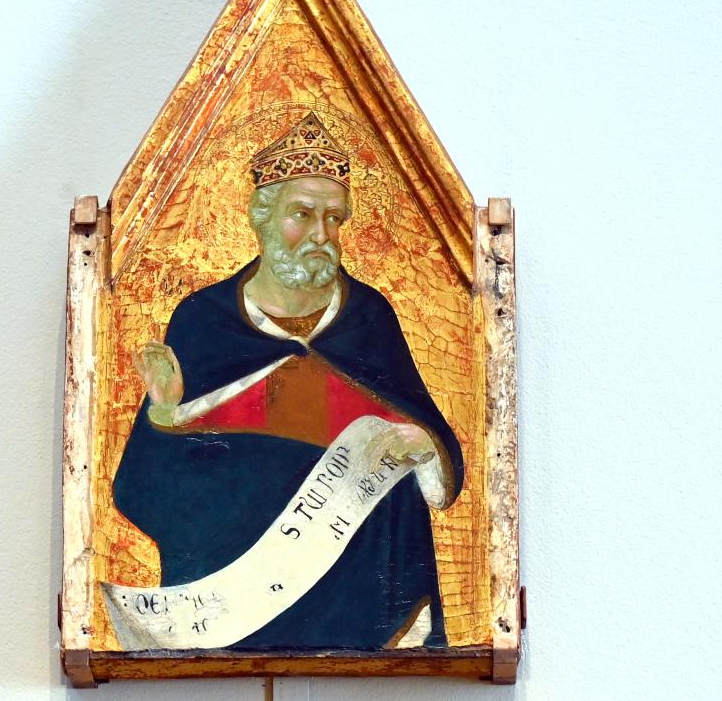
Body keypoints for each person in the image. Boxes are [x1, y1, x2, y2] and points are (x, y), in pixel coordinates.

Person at [111, 112, 464, 650]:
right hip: (238, 604)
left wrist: (419, 443)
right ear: (262, 218)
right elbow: (144, 489)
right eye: (303, 214)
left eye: (334, 218)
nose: (322, 235)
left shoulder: (369, 317)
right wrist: (166, 414)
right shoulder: (204, 321)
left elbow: (432, 446)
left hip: (362, 602)